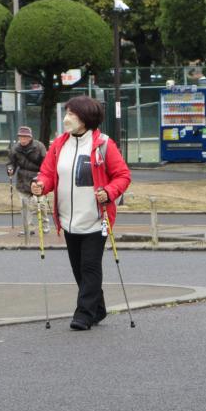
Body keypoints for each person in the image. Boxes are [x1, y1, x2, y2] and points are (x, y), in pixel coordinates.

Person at [31, 96, 131, 331]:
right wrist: (40, 185)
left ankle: (84, 314)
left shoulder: (104, 144)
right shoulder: (58, 145)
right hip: (67, 219)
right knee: (78, 267)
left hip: (96, 219)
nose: (67, 119)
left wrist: (109, 191)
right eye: (66, 113)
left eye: (72, 115)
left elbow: (123, 176)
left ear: (86, 118)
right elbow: (47, 174)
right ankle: (98, 308)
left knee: (89, 265)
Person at [7, 126, 48, 235]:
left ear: (30, 138)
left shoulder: (39, 146)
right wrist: (10, 169)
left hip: (37, 179)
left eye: (25, 137)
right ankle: (28, 228)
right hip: (22, 180)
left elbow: (46, 162)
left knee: (40, 203)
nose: (23, 139)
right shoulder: (15, 148)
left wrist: (44, 175)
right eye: (21, 137)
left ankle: (45, 225)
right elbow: (11, 162)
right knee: (24, 205)